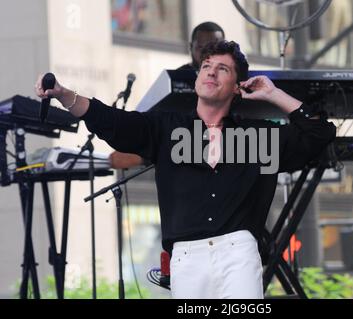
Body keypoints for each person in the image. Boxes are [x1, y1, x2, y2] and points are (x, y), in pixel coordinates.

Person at [35, 40, 336, 299]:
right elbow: (112, 121)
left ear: (237, 87)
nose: (211, 71)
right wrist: (63, 94)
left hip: (238, 252)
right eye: (207, 65)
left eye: (223, 68)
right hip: (187, 257)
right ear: (197, 77)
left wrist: (272, 93)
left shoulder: (258, 137)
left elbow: (319, 134)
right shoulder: (166, 128)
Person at [110, 21, 225, 169]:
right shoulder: (174, 81)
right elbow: (156, 129)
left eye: (216, 48)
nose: (209, 54)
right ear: (191, 48)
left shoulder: (237, 80)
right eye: (202, 48)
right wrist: (140, 155)